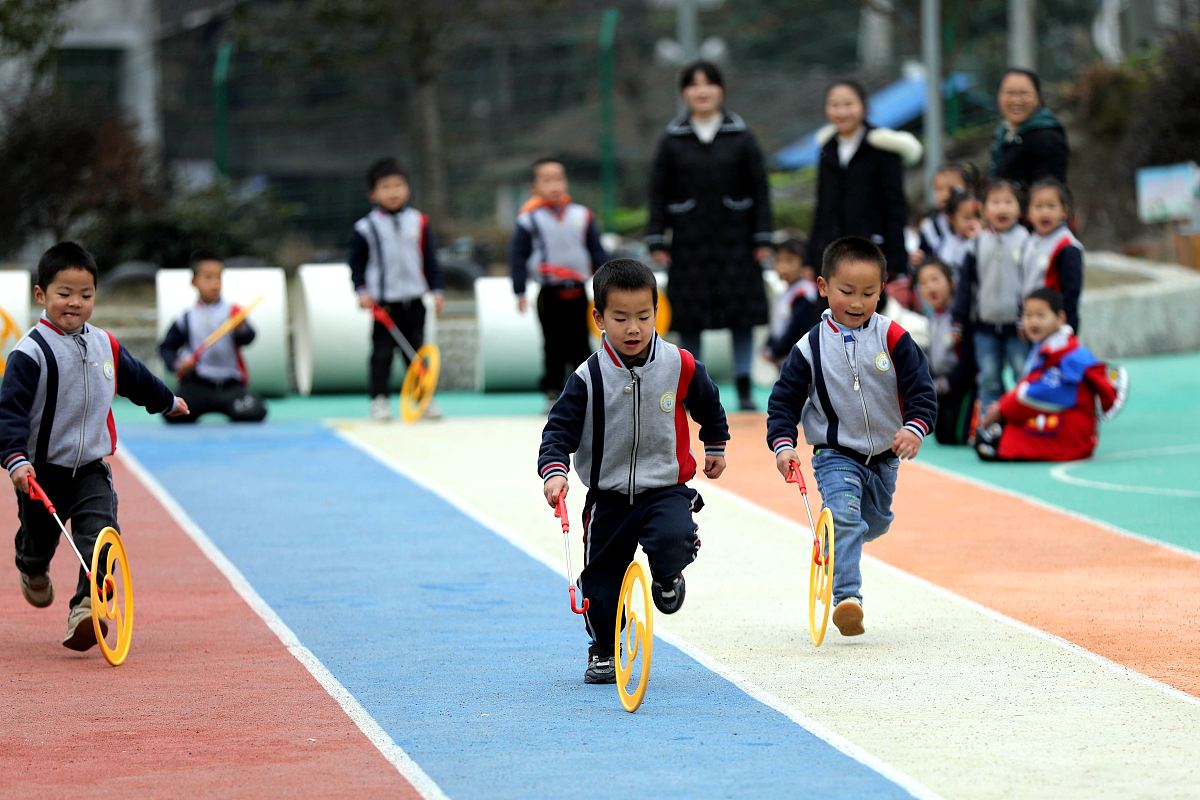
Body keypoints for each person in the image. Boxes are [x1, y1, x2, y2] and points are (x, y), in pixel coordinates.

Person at [538, 259, 729, 683]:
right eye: (620, 318)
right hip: (609, 499)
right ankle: (604, 647)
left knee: (672, 538)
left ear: (657, 312)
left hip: (665, 487)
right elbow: (559, 431)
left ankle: (666, 575)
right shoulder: (587, 378)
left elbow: (709, 402)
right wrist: (554, 471)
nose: (633, 328)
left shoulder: (679, 364)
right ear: (598, 318)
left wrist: (715, 444)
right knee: (601, 582)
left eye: (644, 316)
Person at [1, 242, 188, 650]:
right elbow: (10, 410)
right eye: (64, 294)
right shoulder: (29, 353)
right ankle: (31, 566)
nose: (75, 303)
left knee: (101, 533)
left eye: (85, 295)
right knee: (39, 540)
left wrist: (167, 401)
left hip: (90, 468)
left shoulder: (105, 344)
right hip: (41, 471)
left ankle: (87, 606)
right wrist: (15, 459)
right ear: (41, 296)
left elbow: (138, 380)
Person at [766, 236, 936, 637]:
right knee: (844, 517)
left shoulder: (893, 338)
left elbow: (921, 390)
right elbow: (783, 402)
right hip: (834, 454)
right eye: (846, 292)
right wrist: (783, 444)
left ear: (883, 289)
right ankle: (847, 599)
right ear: (824, 287)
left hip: (883, 457)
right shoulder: (809, 348)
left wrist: (914, 427)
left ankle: (845, 541)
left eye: (868, 293)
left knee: (871, 525)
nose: (857, 303)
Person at [646, 60, 772, 411]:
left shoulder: (742, 135)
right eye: (693, 85)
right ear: (684, 93)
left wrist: (762, 238)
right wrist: (657, 237)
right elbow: (657, 191)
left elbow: (760, 188)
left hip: (738, 238)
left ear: (721, 89)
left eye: (709, 84)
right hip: (689, 240)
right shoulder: (672, 139)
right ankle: (692, 386)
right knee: (690, 316)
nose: (702, 91)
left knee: (742, 315)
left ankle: (744, 386)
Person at [976, 288, 1126, 462]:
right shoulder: (1046, 347)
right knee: (990, 438)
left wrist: (1002, 408)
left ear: (1060, 318)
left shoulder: (1067, 353)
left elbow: (1045, 392)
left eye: (1041, 315)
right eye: (1028, 315)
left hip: (1072, 437)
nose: (1033, 322)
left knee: (993, 443)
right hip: (1062, 424)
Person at [349, 157, 444, 421]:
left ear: (407, 189)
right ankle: (379, 400)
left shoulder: (419, 222)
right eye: (385, 187)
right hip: (384, 304)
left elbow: (430, 260)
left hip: (414, 301)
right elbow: (356, 264)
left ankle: (423, 398)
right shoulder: (365, 228)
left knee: (416, 353)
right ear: (373, 194)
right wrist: (361, 291)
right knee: (381, 355)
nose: (393, 192)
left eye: (398, 185)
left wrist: (437, 291)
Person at [509, 158, 608, 408]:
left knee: (580, 343)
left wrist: (606, 283)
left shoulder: (581, 215)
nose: (554, 186)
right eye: (547, 180)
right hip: (549, 292)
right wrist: (519, 289)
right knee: (553, 343)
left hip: (577, 292)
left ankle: (587, 392)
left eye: (558, 179)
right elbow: (517, 257)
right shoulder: (528, 220)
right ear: (535, 187)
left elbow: (597, 252)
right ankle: (552, 392)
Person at [807, 80, 922, 293]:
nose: (841, 112)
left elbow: (895, 207)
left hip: (872, 251)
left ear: (863, 106)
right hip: (832, 253)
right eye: (834, 105)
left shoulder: (883, 146)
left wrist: (896, 260)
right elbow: (822, 207)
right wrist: (811, 257)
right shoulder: (827, 148)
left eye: (848, 104)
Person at [158, 251, 268, 424]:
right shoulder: (186, 317)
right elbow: (166, 347)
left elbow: (249, 338)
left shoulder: (233, 313)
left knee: (255, 411)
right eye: (208, 278)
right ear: (194, 282)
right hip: (198, 385)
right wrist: (178, 364)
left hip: (230, 386)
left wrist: (241, 329)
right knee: (171, 414)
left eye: (218, 278)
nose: (215, 284)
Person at [952, 180, 1031, 417]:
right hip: (984, 326)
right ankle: (990, 424)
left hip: (1017, 326)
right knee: (988, 377)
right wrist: (959, 320)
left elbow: (1031, 284)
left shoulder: (1027, 241)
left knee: (1022, 375)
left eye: (1008, 202)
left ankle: (1024, 422)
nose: (1002, 208)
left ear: (1019, 209)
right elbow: (966, 286)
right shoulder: (976, 244)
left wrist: (1026, 316)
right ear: (984, 210)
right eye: (995, 203)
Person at [916, 260, 976, 444]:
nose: (930, 287)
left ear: (951, 282)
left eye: (935, 279)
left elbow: (969, 360)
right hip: (941, 386)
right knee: (942, 436)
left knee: (956, 436)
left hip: (963, 386)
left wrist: (948, 383)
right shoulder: (930, 318)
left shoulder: (958, 318)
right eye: (924, 283)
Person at [989, 68, 1068, 189]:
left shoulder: (1047, 139)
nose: (1016, 101)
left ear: (1038, 98)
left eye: (1024, 93)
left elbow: (1047, 196)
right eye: (1010, 93)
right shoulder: (1003, 134)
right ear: (998, 96)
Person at [1021, 178, 1083, 331]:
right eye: (1038, 206)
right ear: (1028, 212)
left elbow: (1071, 293)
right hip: (1032, 321)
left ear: (1064, 211)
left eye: (1051, 206)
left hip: (1055, 324)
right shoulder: (1028, 241)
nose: (1044, 212)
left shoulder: (1067, 246)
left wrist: (1067, 327)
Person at [763, 236, 823, 365]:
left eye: (790, 261)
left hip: (798, 360)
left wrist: (775, 350)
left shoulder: (805, 293)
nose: (784, 267)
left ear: (804, 263)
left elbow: (796, 329)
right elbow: (779, 325)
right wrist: (769, 345)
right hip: (784, 358)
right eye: (779, 261)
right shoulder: (785, 292)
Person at [913, 163, 978, 267]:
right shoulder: (930, 226)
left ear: (968, 189)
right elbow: (924, 255)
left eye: (951, 188)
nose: (945, 194)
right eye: (938, 189)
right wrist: (917, 259)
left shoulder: (978, 219)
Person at [938, 189, 983, 278]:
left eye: (977, 216)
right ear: (951, 218)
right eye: (967, 218)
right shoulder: (945, 243)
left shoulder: (984, 240)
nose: (973, 222)